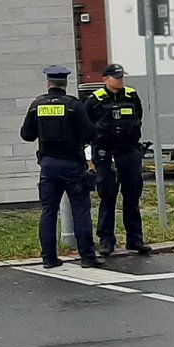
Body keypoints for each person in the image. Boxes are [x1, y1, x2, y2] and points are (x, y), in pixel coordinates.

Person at [20, 66, 103, 269]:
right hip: (72, 166)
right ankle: (87, 257)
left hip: (48, 166)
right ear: (65, 83)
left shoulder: (37, 105)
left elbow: (26, 134)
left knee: (48, 211)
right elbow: (90, 133)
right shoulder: (73, 105)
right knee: (81, 211)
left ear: (48, 83)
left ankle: (49, 258)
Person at [86, 63, 152, 256]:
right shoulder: (94, 101)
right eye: (117, 77)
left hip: (129, 153)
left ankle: (135, 239)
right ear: (105, 79)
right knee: (108, 198)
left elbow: (138, 116)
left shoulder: (131, 96)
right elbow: (87, 128)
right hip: (107, 155)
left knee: (132, 197)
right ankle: (106, 241)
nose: (121, 80)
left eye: (122, 77)